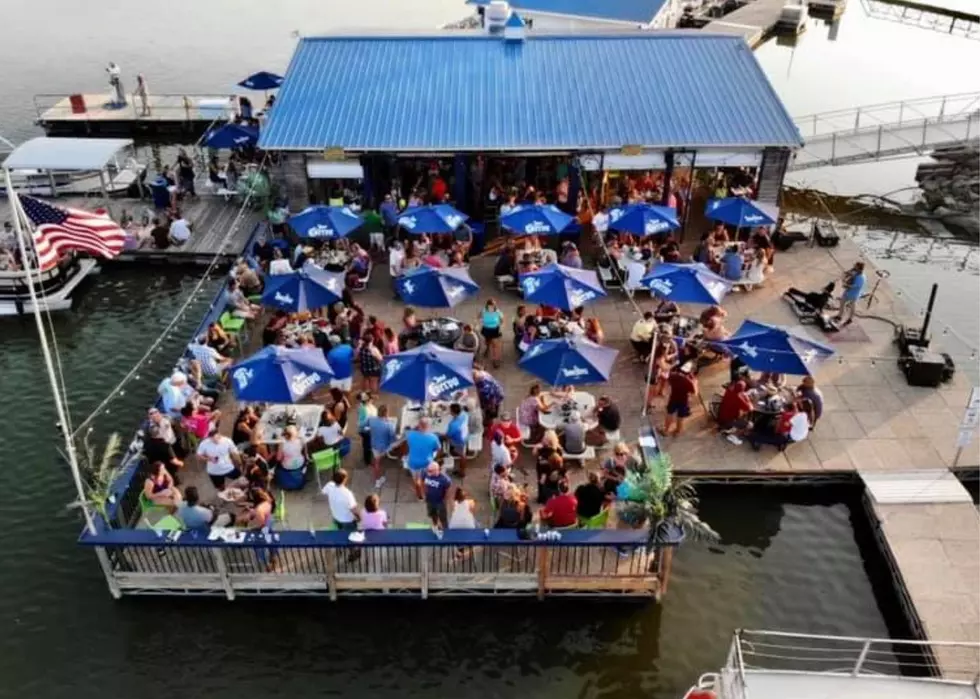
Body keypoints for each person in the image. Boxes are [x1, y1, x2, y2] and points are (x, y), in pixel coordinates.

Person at [405, 418, 442, 500]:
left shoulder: (410, 435)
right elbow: (439, 449)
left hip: (413, 463)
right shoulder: (433, 437)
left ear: (419, 425)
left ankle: (420, 496)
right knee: (428, 479)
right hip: (427, 463)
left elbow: (408, 446)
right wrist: (436, 459)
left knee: (416, 480)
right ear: (428, 427)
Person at [196, 425, 242, 489]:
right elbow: (198, 456)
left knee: (240, 480)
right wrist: (208, 459)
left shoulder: (227, 441)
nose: (215, 440)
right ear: (209, 437)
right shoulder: (204, 444)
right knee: (221, 488)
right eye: (212, 438)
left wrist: (239, 463)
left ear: (219, 434)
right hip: (214, 472)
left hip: (228, 468)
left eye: (216, 437)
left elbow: (235, 453)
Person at [144, 407, 184, 475]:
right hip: (164, 447)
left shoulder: (166, 417)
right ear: (149, 416)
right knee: (170, 462)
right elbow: (152, 435)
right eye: (151, 413)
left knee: (178, 454)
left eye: (156, 412)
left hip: (172, 441)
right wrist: (156, 423)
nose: (154, 414)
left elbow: (174, 424)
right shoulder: (149, 426)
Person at [367, 404, 397, 489]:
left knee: (376, 459)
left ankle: (376, 465)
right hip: (383, 448)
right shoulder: (389, 425)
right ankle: (377, 480)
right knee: (377, 462)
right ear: (386, 413)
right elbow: (393, 439)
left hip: (374, 444)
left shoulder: (371, 420)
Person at [664, 363, 699, 436]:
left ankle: (666, 430)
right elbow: (695, 393)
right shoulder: (688, 382)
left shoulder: (673, 376)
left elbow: (667, 383)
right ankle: (678, 431)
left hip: (673, 398)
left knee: (669, 413)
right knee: (680, 416)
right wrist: (695, 383)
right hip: (683, 401)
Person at [423, 462, 452, 531]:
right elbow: (422, 481)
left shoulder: (445, 479)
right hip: (429, 500)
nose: (428, 472)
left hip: (440, 502)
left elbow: (448, 490)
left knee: (443, 517)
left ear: (437, 470)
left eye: (430, 471)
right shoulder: (425, 472)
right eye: (428, 470)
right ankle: (435, 525)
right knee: (433, 514)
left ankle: (445, 529)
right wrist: (424, 493)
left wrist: (444, 500)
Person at [836, 261, 866, 326]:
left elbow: (857, 286)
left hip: (854, 294)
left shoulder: (861, 277)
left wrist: (847, 285)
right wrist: (845, 275)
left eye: (855, 266)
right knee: (842, 302)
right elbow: (847, 274)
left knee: (852, 306)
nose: (854, 267)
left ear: (859, 268)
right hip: (848, 291)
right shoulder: (855, 272)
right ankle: (839, 316)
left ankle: (850, 319)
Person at [479, 298, 505, 368]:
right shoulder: (483, 311)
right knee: (487, 342)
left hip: (495, 330)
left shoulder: (498, 312)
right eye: (490, 306)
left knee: (495, 346)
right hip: (486, 329)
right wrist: (480, 321)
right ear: (487, 305)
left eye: (493, 305)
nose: (492, 307)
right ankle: (487, 348)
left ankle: (495, 360)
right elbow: (479, 317)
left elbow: (502, 320)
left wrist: (501, 327)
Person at [445, 403, 470, 474]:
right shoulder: (464, 414)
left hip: (459, 441)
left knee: (462, 455)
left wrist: (440, 435)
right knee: (463, 454)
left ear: (453, 412)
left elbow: (448, 435)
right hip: (465, 435)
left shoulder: (453, 425)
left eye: (450, 410)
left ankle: (462, 471)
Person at [355, 392, 378, 467]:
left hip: (370, 428)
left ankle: (368, 456)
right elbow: (360, 423)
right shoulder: (363, 409)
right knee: (367, 446)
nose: (372, 400)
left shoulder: (369, 406)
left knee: (368, 444)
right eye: (371, 399)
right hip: (366, 431)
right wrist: (369, 420)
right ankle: (367, 461)